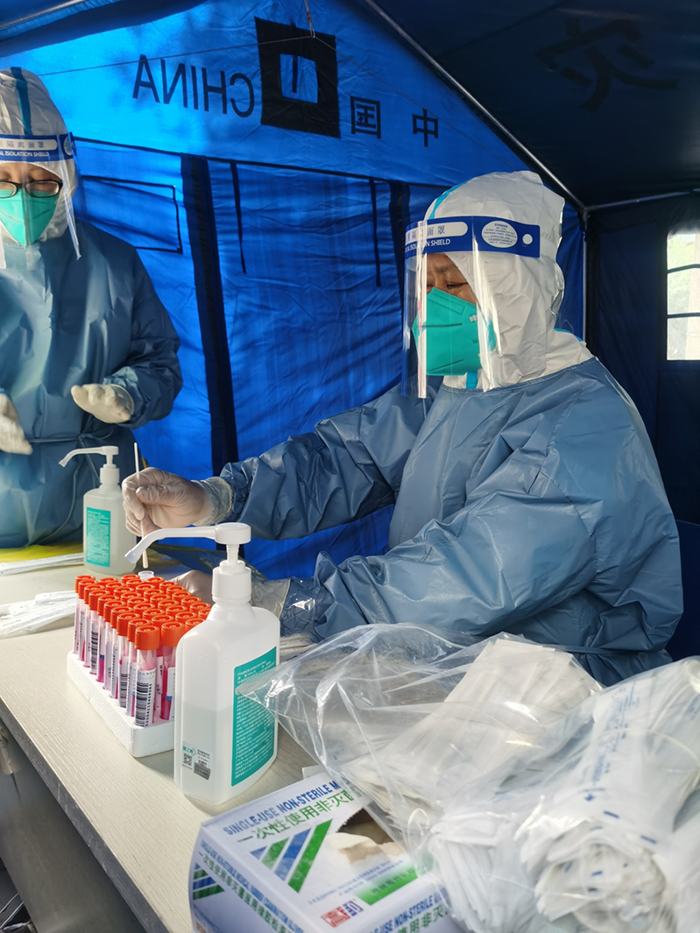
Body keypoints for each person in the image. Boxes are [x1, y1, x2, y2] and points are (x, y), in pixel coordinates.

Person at [123, 170, 682, 686]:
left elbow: (468, 577)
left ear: (516, 289)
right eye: (427, 284)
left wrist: (284, 606)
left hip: (562, 692)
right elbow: (344, 459)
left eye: (455, 285)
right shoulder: (461, 387)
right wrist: (217, 499)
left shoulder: (583, 431)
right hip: (451, 661)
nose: (434, 305)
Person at [0, 68, 182, 547]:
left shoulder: (115, 262)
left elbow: (160, 363)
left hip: (98, 508)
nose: (21, 198)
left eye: (41, 182)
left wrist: (128, 394)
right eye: (3, 180)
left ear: (66, 176)